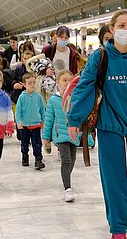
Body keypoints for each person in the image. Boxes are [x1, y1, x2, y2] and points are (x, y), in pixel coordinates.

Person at [67, 10, 127, 239]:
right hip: (109, 129)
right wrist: (74, 119)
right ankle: (118, 229)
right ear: (112, 29)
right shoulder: (101, 57)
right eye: (122, 25)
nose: (126, 30)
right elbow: (85, 87)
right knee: (115, 182)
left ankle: (117, 212)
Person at [43, 70, 79, 202]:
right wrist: (46, 138)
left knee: (73, 160)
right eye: (64, 80)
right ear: (58, 82)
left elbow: (82, 120)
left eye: (70, 80)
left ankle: (66, 177)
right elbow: (48, 119)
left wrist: (89, 139)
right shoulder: (53, 100)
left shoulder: (76, 98)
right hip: (60, 134)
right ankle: (67, 188)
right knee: (66, 160)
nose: (67, 83)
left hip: (74, 134)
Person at [15, 73, 45, 169]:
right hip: (24, 126)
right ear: (24, 85)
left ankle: (38, 159)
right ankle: (25, 156)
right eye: (29, 83)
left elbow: (42, 110)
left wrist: (44, 121)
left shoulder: (38, 97)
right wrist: (18, 122)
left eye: (34, 82)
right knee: (24, 143)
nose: (32, 85)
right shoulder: (22, 97)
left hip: (36, 125)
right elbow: (18, 111)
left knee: (37, 143)